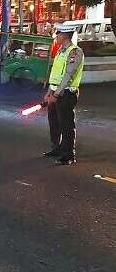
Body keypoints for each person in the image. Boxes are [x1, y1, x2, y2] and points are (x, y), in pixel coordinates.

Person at [43, 22, 84, 165]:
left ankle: (69, 154)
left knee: (66, 124)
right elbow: (55, 75)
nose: (56, 36)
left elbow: (68, 76)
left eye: (58, 34)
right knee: (54, 122)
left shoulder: (74, 52)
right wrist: (49, 92)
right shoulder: (61, 51)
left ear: (65, 35)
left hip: (66, 94)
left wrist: (56, 94)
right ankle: (57, 148)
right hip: (56, 92)